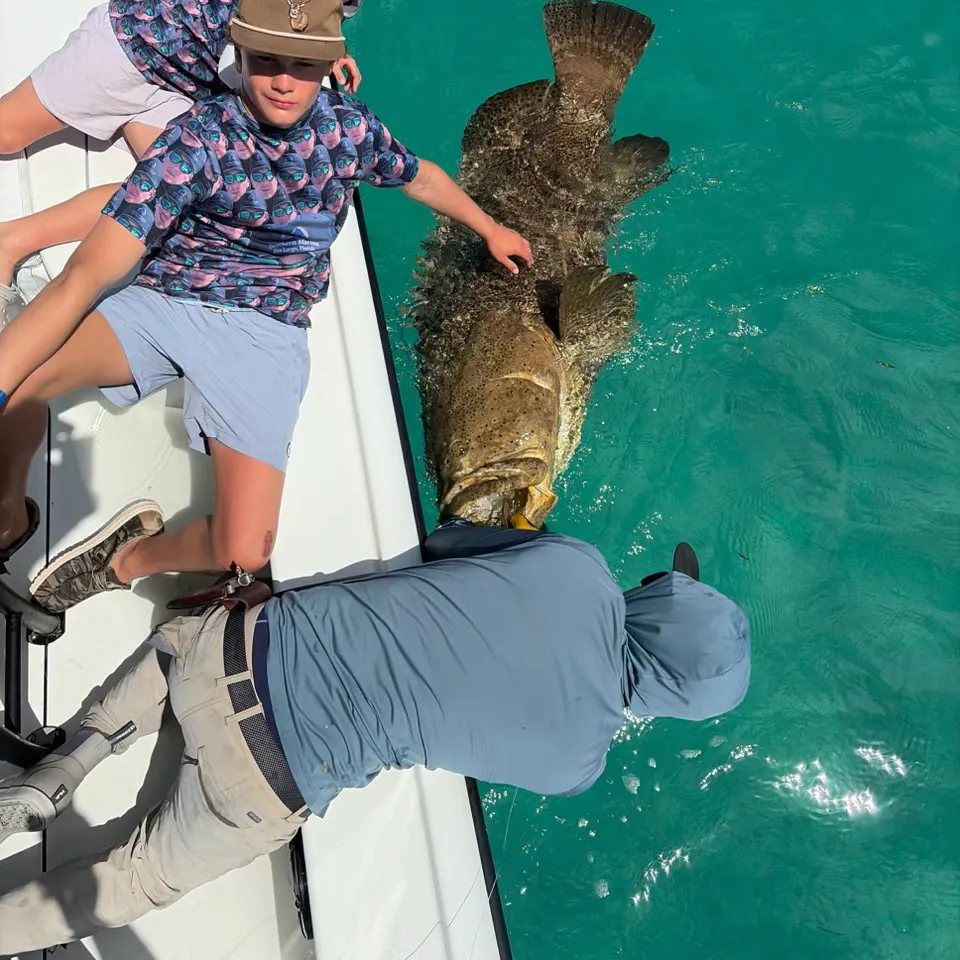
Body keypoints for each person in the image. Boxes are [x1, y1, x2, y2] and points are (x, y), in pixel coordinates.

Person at [0, 0, 533, 614]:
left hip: (267, 332)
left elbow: (419, 177)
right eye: (268, 61)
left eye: (304, 64)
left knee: (245, 549)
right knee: (25, 373)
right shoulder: (194, 142)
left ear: (331, 63)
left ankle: (128, 558)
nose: (284, 80)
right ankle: (8, 506)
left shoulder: (350, 129)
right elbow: (83, 278)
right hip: (171, 298)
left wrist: (489, 228)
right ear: (240, 55)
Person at [0, 521, 750, 952]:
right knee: (137, 881)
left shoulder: (580, 564)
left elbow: (444, 540)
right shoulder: (577, 766)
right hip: (264, 781)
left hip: (238, 647)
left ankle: (62, 770)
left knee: (176, 643)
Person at [0, 0, 363, 322]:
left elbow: (309, 14)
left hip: (193, 82)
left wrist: (328, 46)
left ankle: (10, 241)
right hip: (139, 41)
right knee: (6, 135)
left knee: (185, 201)